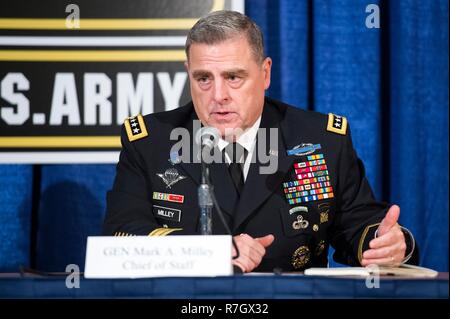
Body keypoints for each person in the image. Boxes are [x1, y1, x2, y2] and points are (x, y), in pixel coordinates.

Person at [103, 10, 417, 273]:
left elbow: (358, 227)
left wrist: (383, 243)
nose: (219, 96)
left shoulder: (321, 139)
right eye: (203, 79)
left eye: (233, 77)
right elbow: (123, 237)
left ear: (265, 74)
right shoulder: (151, 141)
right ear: (188, 74)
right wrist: (209, 255)